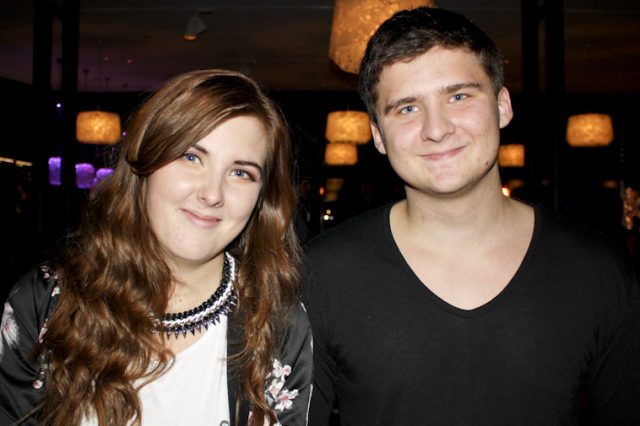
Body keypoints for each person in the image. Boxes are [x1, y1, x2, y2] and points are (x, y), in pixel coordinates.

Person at [303, 7, 640, 425]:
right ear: (378, 136)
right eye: (407, 108)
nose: (437, 128)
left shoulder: (595, 270)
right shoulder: (322, 275)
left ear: (502, 106)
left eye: (458, 97)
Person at [0, 69, 312, 425]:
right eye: (191, 157)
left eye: (240, 173)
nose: (212, 194)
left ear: (261, 199)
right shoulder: (47, 303)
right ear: (145, 161)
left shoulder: (277, 324)